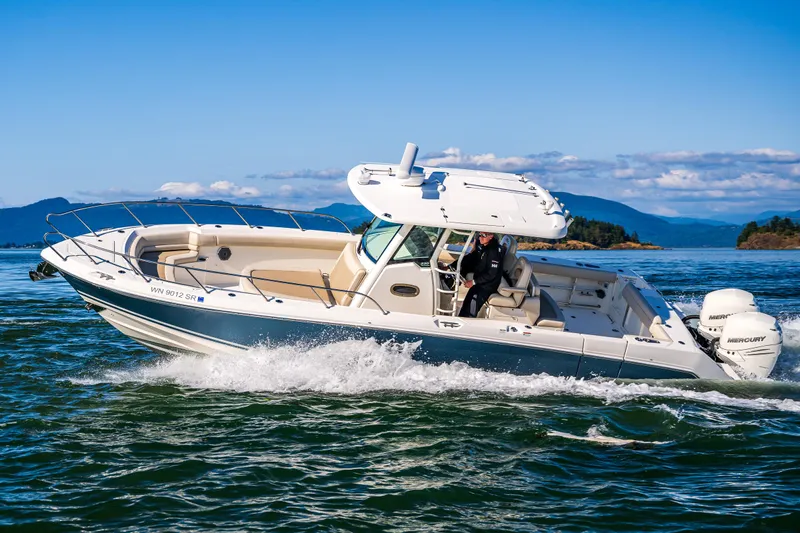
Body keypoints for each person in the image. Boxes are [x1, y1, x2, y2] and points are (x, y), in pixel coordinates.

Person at [455, 232, 504, 317]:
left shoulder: (493, 251)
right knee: (467, 302)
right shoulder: (484, 247)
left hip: (487, 286)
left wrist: (473, 282)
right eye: (479, 235)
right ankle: (461, 318)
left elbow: (491, 274)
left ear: (491, 236)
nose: (480, 238)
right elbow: (471, 257)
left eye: (483, 236)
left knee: (471, 307)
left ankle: (467, 323)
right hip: (480, 283)